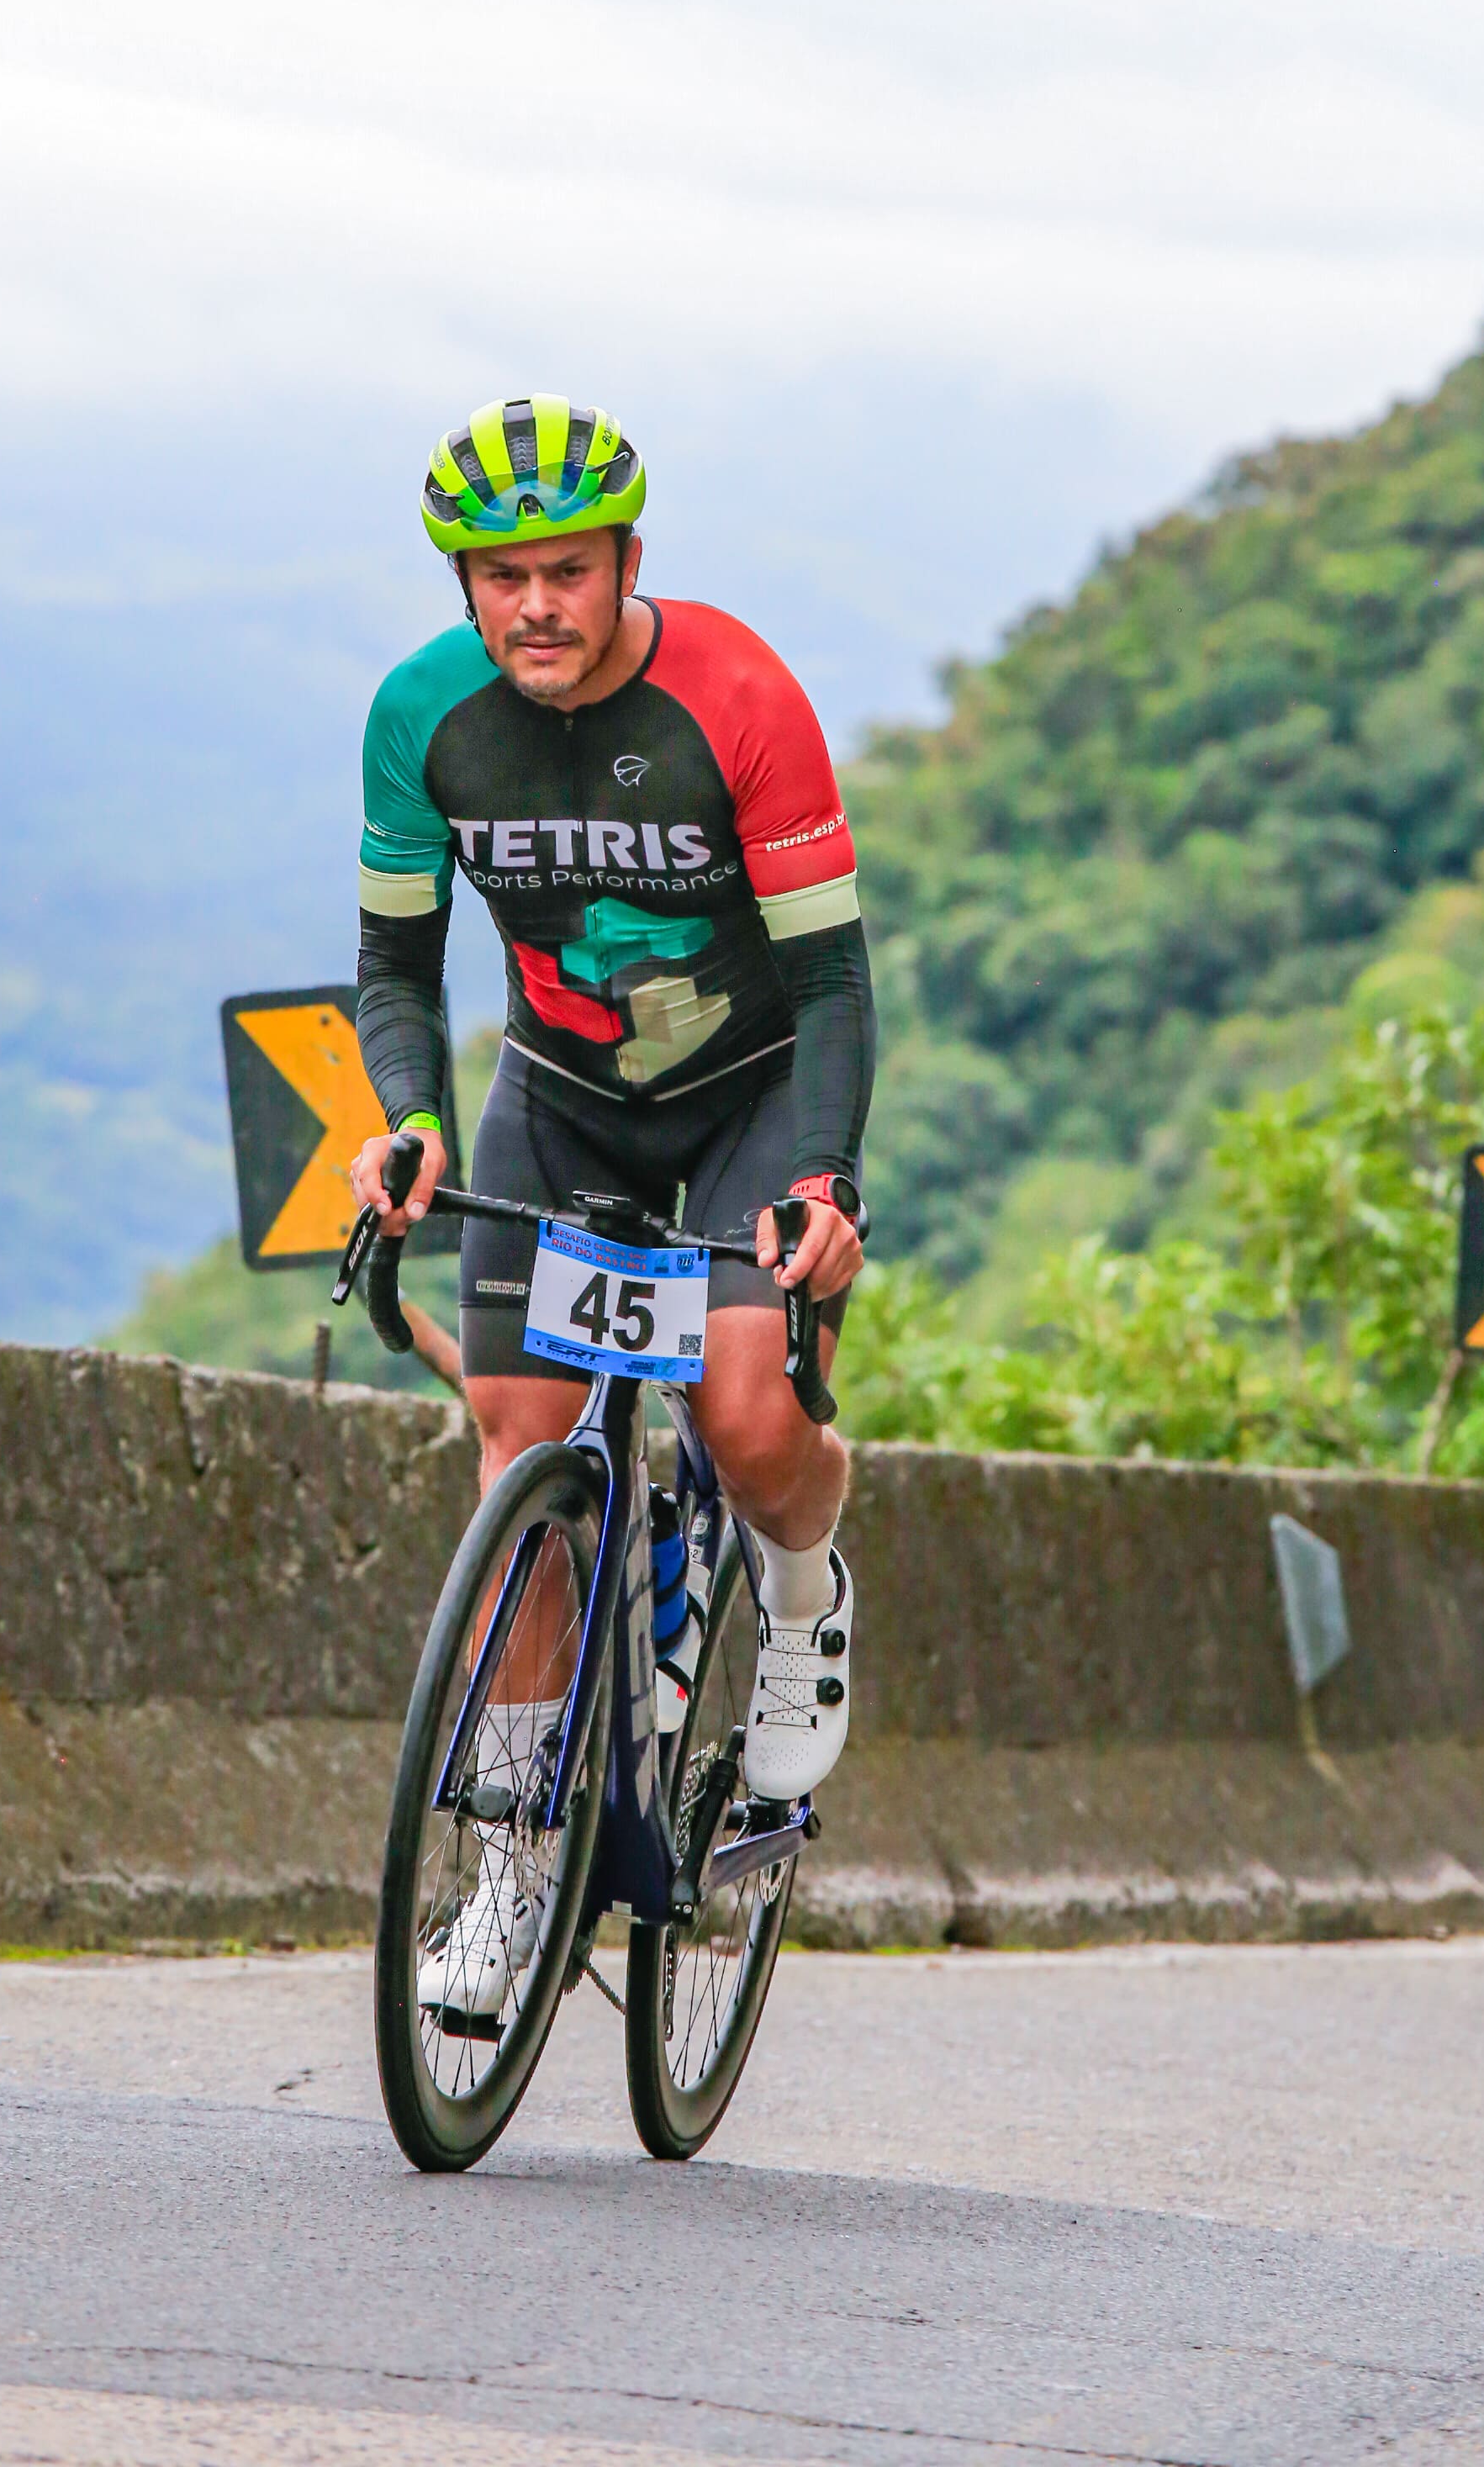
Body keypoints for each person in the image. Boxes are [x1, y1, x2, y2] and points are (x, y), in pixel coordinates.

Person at [350, 397, 874, 2012]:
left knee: (749, 1423)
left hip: (749, 1094)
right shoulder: (422, 719)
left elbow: (834, 982)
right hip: (561, 1100)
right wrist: (411, 1124)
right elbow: (395, 964)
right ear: (462, 586)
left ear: (629, 562)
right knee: (518, 1437)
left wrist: (823, 1180)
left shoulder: (738, 696)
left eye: (566, 573)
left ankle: (804, 1597)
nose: (535, 609)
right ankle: (512, 1873)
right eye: (499, 580)